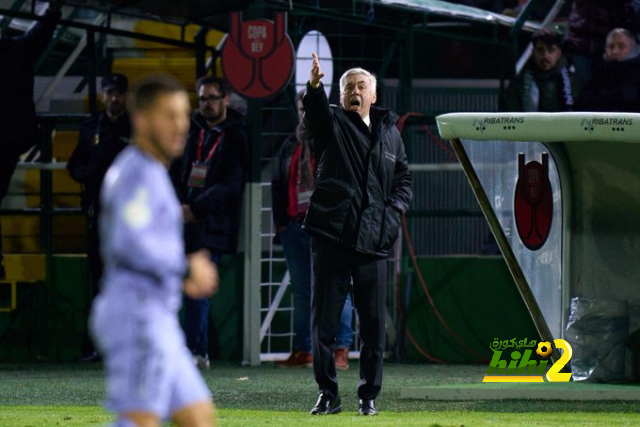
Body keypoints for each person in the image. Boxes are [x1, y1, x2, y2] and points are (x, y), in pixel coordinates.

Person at [89, 74, 219, 427]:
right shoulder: (135, 174)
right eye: (169, 115)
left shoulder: (153, 172)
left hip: (158, 317)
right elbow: (128, 242)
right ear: (142, 120)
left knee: (198, 417)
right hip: (136, 316)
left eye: (183, 115)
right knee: (140, 420)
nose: (181, 125)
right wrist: (184, 268)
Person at [303, 53, 412, 416]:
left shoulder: (391, 134)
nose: (355, 91)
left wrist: (393, 213)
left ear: (373, 95)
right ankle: (328, 394)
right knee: (323, 325)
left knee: (373, 328)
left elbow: (403, 181)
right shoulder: (331, 122)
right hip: (332, 237)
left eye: (361, 86)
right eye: (348, 86)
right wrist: (315, 87)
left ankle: (368, 396)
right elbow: (315, 114)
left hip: (373, 242)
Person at [272, 90, 354, 370]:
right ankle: (304, 349)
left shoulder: (332, 139)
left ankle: (340, 348)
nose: (303, 112)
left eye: (308, 107)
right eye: (300, 107)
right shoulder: (290, 143)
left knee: (335, 286)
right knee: (303, 291)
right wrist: (281, 223)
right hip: (295, 227)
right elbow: (279, 183)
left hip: (326, 227)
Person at [172, 76, 248, 369]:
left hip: (212, 222)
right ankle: (199, 350)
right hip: (186, 219)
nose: (206, 104)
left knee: (195, 288)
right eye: (202, 98)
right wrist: (181, 204)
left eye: (212, 98)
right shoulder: (192, 131)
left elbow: (232, 183)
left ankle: (195, 350)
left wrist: (196, 208)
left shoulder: (237, 135)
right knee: (189, 288)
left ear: (226, 99)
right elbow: (177, 170)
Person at [67, 73, 131, 362]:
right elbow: (74, 165)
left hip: (131, 217)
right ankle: (98, 345)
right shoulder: (91, 127)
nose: (114, 98)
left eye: (118, 92)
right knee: (99, 281)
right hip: (99, 214)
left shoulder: (137, 126)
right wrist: (89, 174)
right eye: (109, 92)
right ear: (103, 95)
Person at [0, 0, 64, 279]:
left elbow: (38, 35)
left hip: (6, 142)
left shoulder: (15, 50)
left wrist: (52, 11)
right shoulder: (16, 50)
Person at [505, 29, 580, 112]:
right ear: (533, 52)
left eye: (551, 50)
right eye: (540, 50)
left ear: (558, 53)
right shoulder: (519, 82)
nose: (545, 56)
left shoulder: (573, 82)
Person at [576, 28, 640, 112]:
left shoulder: (636, 72)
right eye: (611, 47)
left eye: (621, 47)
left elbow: (629, 97)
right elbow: (584, 100)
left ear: (633, 48)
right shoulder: (599, 70)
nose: (615, 51)